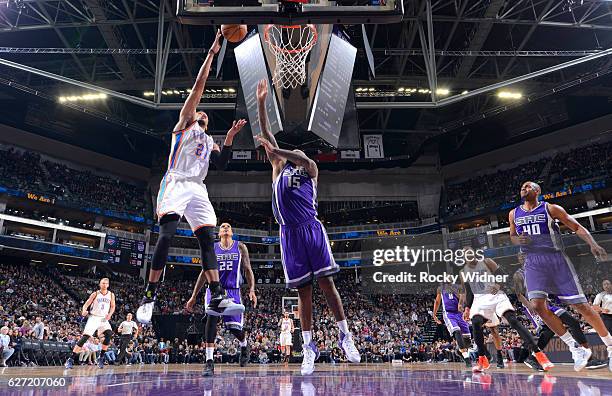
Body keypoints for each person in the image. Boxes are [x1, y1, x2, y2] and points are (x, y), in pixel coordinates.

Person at [136, 29, 247, 324]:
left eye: (207, 116)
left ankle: (217, 295)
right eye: (202, 112)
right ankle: (149, 294)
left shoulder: (210, 141)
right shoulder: (185, 123)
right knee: (167, 235)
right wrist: (212, 52)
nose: (205, 115)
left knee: (207, 240)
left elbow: (222, 164)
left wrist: (231, 137)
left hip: (198, 188)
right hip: (176, 180)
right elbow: (199, 85)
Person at [255, 79, 361, 375]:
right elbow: (266, 134)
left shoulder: (310, 168)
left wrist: (280, 150)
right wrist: (262, 102)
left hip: (311, 229)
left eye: (299, 153)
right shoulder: (278, 168)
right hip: (288, 234)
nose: (297, 154)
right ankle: (309, 348)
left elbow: (297, 155)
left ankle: (345, 337)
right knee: (303, 294)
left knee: (327, 285)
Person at [509, 181, 612, 372]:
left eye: (528, 186)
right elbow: (513, 235)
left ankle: (610, 345)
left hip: (555, 259)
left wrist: (593, 243)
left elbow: (576, 226)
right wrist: (518, 240)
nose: (523, 189)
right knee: (538, 305)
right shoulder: (514, 213)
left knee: (581, 306)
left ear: (538, 191)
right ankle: (575, 348)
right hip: (532, 262)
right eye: (522, 187)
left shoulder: (550, 208)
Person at [461, 248, 552, 372]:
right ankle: (482, 360)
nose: (469, 256)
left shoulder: (487, 261)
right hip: (480, 300)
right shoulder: (463, 272)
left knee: (513, 321)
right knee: (476, 322)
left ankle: (539, 355)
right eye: (466, 255)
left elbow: (503, 276)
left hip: (496, 295)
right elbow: (469, 292)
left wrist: (498, 285)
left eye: (471, 253)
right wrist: (467, 307)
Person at [186, 222, 257, 376]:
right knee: (211, 318)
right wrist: (193, 296)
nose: (225, 227)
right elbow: (204, 272)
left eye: (228, 226)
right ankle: (209, 362)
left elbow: (247, 269)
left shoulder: (240, 247)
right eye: (222, 226)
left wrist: (252, 290)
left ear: (232, 232)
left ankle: (244, 345)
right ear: (218, 233)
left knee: (234, 329)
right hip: (215, 290)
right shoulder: (212, 248)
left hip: (233, 291)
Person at [514, 265, 607, 371]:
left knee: (562, 326)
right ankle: (589, 359)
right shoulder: (519, 274)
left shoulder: (539, 268)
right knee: (556, 328)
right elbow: (518, 293)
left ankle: (533, 358)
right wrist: (529, 305)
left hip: (547, 302)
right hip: (532, 305)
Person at [64, 278, 115, 369]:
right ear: (100, 284)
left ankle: (101, 357)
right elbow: (86, 304)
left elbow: (113, 306)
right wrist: (84, 310)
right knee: (85, 337)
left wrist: (110, 314)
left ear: (108, 285)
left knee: (109, 334)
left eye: (106, 283)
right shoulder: (95, 294)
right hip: (94, 317)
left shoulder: (111, 295)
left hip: (103, 318)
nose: (104, 285)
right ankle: (70, 359)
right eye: (102, 283)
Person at [432, 283, 471, 367]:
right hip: (449, 314)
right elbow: (437, 301)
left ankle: (458, 350)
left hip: (459, 313)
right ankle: (467, 358)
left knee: (467, 340)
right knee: (456, 331)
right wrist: (434, 314)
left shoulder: (457, 287)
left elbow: (463, 297)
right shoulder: (440, 288)